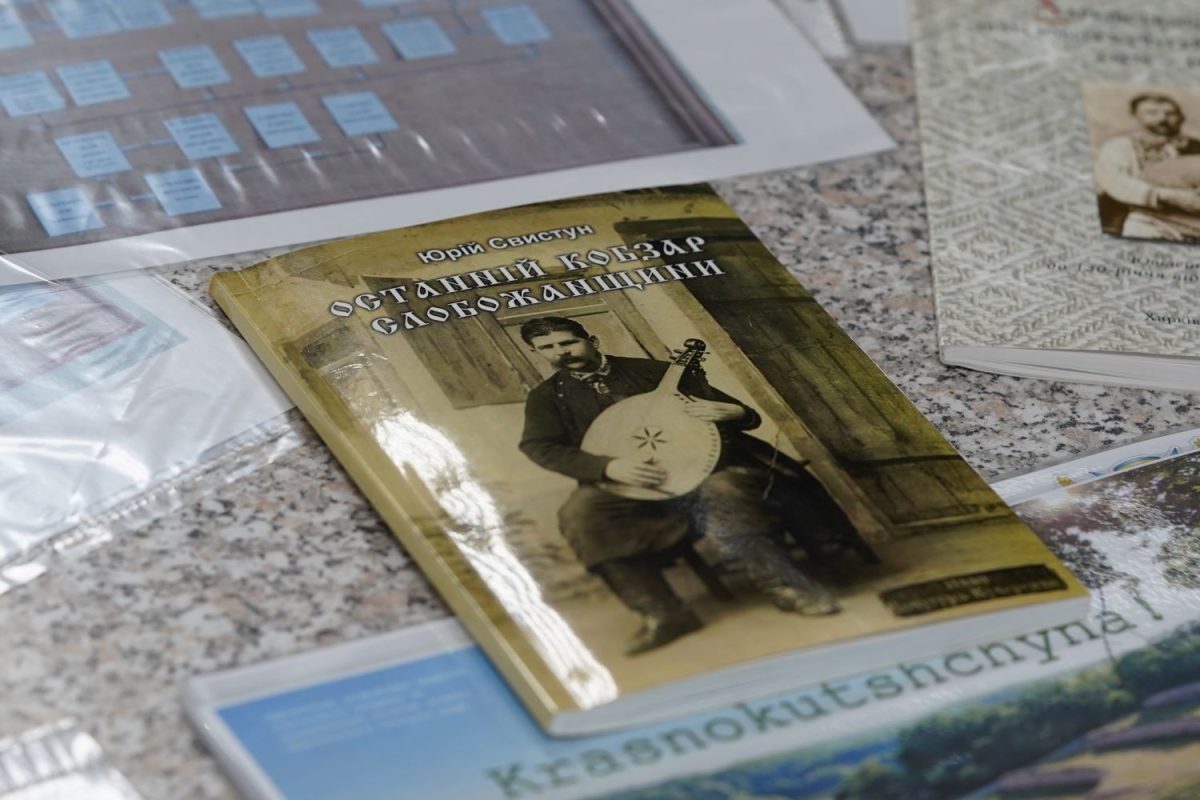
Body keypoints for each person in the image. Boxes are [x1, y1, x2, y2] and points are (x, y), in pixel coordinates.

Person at [517, 316, 851, 655]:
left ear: (592, 341)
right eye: (548, 347)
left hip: (708, 470)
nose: (560, 352)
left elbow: (743, 415)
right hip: (634, 485)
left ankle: (785, 587)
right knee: (581, 513)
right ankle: (662, 613)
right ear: (536, 352)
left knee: (724, 490)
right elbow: (540, 446)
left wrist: (736, 413)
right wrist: (607, 467)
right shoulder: (547, 398)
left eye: (568, 342)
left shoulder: (655, 372)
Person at [1093, 93, 1200, 241]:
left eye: (1170, 113)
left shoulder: (1195, 146)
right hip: (1142, 222)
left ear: (1182, 118)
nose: (1162, 119)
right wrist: (1164, 195)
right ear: (1135, 117)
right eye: (1152, 113)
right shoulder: (1119, 146)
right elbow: (1115, 181)